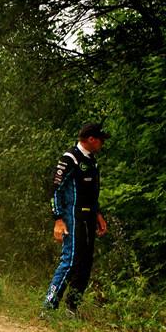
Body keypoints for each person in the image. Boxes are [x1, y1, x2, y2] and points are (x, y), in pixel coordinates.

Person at [43, 122, 110, 315]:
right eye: (101, 140)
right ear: (91, 139)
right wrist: (58, 219)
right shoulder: (70, 158)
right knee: (71, 260)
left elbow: (91, 192)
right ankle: (49, 306)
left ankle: (71, 307)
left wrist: (98, 214)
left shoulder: (92, 161)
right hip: (72, 216)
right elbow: (55, 189)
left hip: (89, 217)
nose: (102, 144)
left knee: (85, 262)